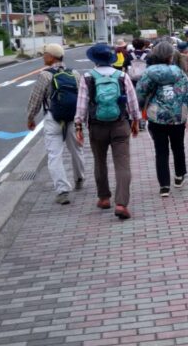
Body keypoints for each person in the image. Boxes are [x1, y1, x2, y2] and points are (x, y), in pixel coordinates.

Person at [75, 42, 141, 219]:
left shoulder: (87, 77)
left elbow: (81, 105)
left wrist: (78, 126)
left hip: (96, 125)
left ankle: (104, 198)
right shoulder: (122, 76)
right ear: (111, 59)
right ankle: (121, 204)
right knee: (122, 164)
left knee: (100, 161)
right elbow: (132, 101)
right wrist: (136, 121)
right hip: (120, 124)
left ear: (94, 59)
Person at [136, 41, 188, 198]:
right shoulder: (179, 72)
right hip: (178, 116)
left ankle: (164, 186)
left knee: (161, 151)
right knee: (178, 147)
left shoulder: (149, 73)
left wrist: (138, 112)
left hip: (156, 117)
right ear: (171, 56)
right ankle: (179, 176)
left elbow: (140, 93)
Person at [26, 43, 84, 205]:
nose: (43, 57)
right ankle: (79, 177)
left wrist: (30, 118)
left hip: (53, 117)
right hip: (72, 117)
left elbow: (36, 99)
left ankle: (62, 190)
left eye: (45, 54)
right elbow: (82, 97)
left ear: (51, 57)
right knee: (76, 149)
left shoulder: (45, 75)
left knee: (54, 155)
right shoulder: (74, 73)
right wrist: (81, 118)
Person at [129, 39, 151, 131]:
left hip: (132, 82)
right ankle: (142, 123)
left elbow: (124, 67)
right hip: (144, 82)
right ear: (143, 46)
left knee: (133, 102)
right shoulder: (147, 55)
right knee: (144, 103)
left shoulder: (129, 55)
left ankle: (133, 121)